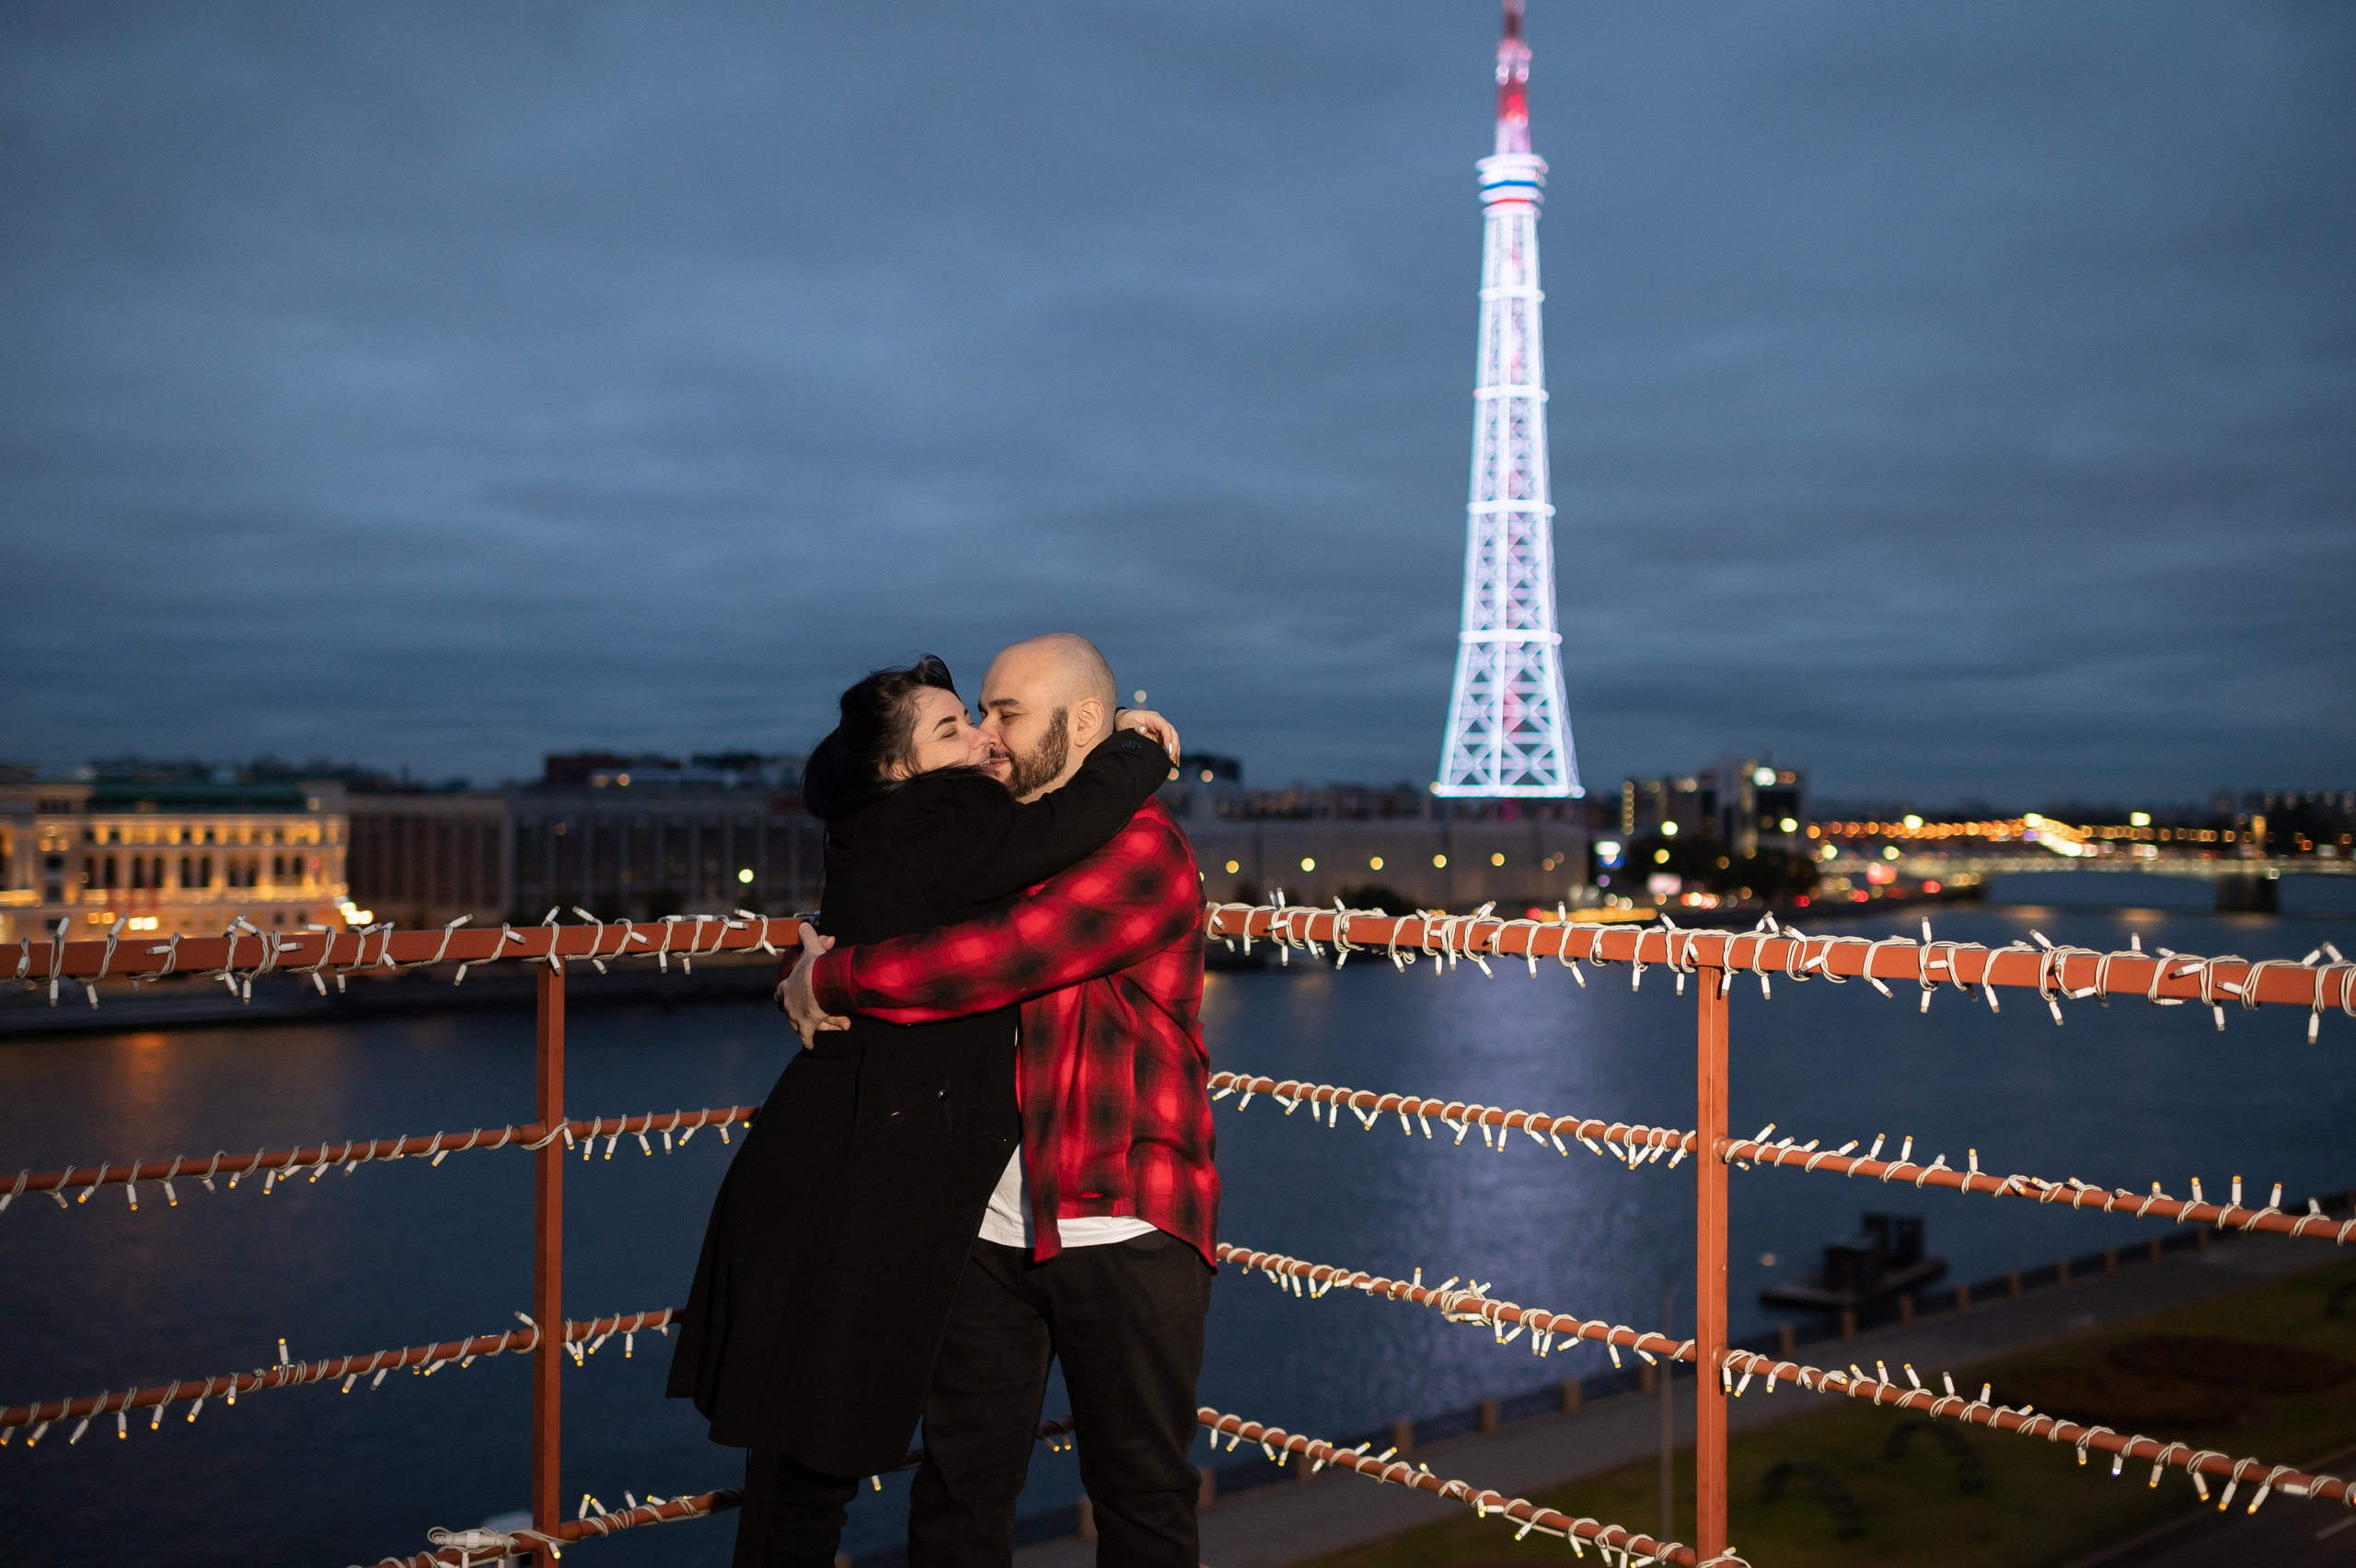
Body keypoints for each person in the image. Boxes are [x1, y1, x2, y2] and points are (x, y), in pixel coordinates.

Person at [666, 650, 1181, 1568]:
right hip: (927, 1202)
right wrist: (812, 972)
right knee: (902, 1478)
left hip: (1064, 1205)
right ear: (899, 769)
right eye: (966, 720)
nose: (987, 734)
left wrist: (821, 971)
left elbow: (993, 952)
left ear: (1079, 723)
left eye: (1001, 714)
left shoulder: (1101, 847)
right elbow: (938, 933)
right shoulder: (966, 831)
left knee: (1127, 1499)